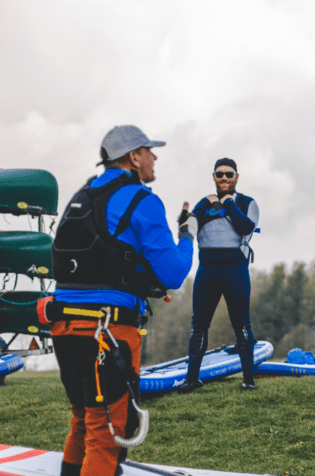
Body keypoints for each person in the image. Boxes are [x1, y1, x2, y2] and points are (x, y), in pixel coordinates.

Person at [50, 125, 193, 475]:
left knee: (82, 422)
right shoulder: (143, 200)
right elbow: (173, 273)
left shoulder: (83, 195)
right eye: (149, 151)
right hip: (108, 331)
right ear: (133, 157)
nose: (154, 157)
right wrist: (187, 234)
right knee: (107, 434)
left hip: (63, 327)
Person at [179, 158, 260, 392]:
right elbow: (189, 225)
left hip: (235, 269)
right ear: (214, 177)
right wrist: (207, 202)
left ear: (236, 177)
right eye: (219, 174)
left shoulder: (247, 202)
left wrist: (228, 203)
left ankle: (248, 379)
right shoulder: (204, 202)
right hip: (207, 269)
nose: (224, 178)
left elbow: (246, 227)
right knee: (199, 325)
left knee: (241, 324)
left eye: (229, 174)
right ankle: (191, 378)